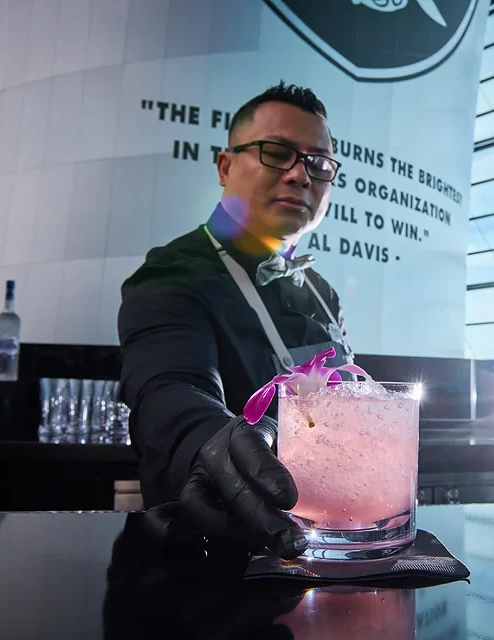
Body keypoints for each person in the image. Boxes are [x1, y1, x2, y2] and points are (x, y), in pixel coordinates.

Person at [118, 83, 349, 559]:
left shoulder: (321, 291)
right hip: (223, 553)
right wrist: (209, 442)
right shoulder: (170, 273)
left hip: (334, 539)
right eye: (277, 153)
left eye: (318, 163)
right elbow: (170, 391)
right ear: (225, 167)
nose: (300, 175)